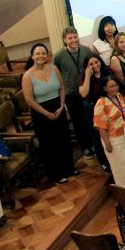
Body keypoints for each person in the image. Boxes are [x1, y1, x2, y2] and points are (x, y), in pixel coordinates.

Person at [22, 43, 74, 183]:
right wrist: (47, 113)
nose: (41, 56)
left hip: (58, 107)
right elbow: (29, 101)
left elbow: (62, 88)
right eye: (37, 53)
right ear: (32, 56)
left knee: (63, 139)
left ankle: (69, 168)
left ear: (47, 55)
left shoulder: (54, 68)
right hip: (41, 113)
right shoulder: (27, 76)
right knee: (49, 144)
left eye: (43, 53)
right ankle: (56, 174)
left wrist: (62, 105)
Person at [53, 26, 96, 158]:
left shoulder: (86, 50)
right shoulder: (59, 56)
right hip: (71, 93)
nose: (73, 40)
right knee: (78, 121)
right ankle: (85, 147)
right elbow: (58, 74)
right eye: (70, 38)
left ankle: (94, 143)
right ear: (65, 40)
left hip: (86, 89)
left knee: (90, 118)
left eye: (75, 37)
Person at [93, 76, 125, 188]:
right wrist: (107, 144)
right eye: (111, 86)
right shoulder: (101, 102)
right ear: (105, 88)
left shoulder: (119, 96)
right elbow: (100, 126)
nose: (114, 88)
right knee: (120, 170)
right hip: (114, 139)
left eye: (115, 85)